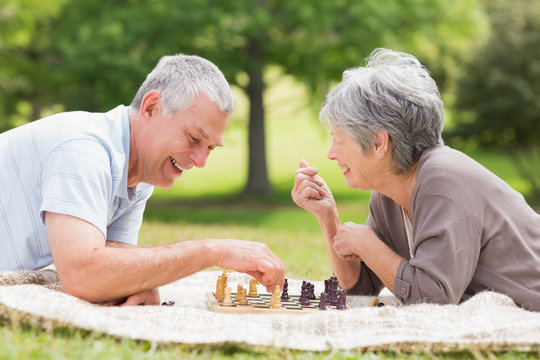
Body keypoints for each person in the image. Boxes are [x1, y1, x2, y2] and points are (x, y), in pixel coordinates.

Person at [0, 54, 284, 306]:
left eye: (210, 148)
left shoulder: (137, 173)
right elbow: (83, 275)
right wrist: (212, 251)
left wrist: (139, 282)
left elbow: (113, 261)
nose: (201, 161)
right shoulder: (83, 148)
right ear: (151, 107)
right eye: (194, 138)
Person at [292, 48, 540, 311]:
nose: (331, 154)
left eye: (339, 139)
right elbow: (361, 287)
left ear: (378, 143)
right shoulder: (388, 194)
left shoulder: (443, 180)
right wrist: (328, 217)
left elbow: (433, 300)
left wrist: (367, 243)